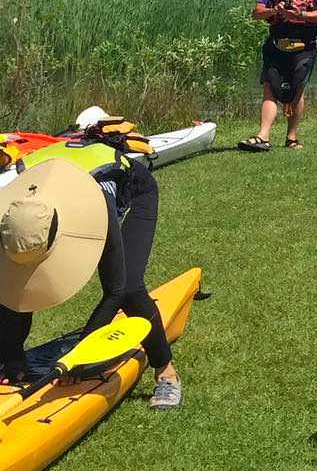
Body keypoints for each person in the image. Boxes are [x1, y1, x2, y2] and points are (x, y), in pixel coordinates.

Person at [0, 150, 183, 409]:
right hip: (56, 193)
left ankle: (166, 372)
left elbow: (115, 291)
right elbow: (9, 288)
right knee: (15, 274)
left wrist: (78, 357)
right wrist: (13, 358)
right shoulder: (11, 215)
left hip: (134, 187)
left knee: (130, 285)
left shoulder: (96, 208)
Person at [238, 0, 317, 151]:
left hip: (304, 47)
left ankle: (291, 137)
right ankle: (263, 136)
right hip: (275, 45)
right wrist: (275, 10)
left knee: (297, 91)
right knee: (270, 87)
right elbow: (256, 13)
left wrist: (301, 14)